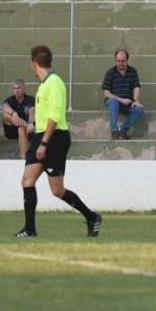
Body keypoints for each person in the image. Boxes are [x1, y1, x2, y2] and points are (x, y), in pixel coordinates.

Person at [17, 45, 101, 239]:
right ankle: (30, 229)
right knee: (27, 180)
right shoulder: (44, 84)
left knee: (57, 190)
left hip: (54, 138)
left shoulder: (55, 83)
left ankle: (92, 217)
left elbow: (55, 117)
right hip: (41, 135)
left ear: (34, 64)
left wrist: (44, 143)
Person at [101, 49, 144, 140]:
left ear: (127, 60)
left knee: (139, 109)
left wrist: (136, 100)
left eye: (123, 61)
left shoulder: (132, 71)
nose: (121, 63)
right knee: (113, 101)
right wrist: (121, 100)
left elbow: (136, 87)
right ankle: (114, 131)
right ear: (115, 60)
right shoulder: (110, 73)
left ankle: (122, 131)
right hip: (113, 103)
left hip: (128, 104)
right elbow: (106, 93)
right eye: (118, 61)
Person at [2, 79, 35, 159]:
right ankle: (25, 125)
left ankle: (23, 158)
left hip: (28, 131)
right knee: (5, 114)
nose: (16, 90)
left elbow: (32, 110)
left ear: (24, 89)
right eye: (14, 88)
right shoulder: (10, 99)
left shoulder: (30, 99)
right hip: (12, 130)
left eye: (18, 88)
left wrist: (30, 122)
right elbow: (4, 106)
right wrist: (14, 113)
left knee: (21, 129)